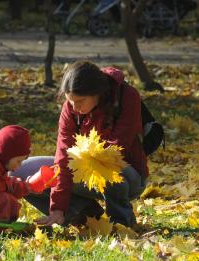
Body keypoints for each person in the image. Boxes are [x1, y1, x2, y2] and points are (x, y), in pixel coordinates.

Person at [11, 61, 148, 228]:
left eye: (81, 101)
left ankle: (121, 223)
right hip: (83, 171)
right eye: (71, 101)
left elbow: (118, 145)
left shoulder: (126, 96)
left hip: (128, 175)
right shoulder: (71, 108)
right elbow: (63, 157)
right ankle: (85, 216)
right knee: (20, 174)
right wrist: (58, 208)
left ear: (97, 92)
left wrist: (82, 157)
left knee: (103, 164)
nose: (75, 107)